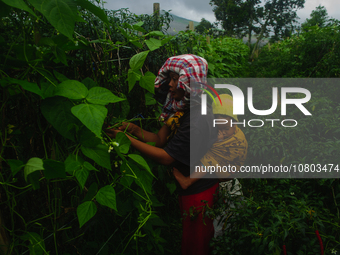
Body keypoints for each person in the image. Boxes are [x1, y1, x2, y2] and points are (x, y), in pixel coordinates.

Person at [106, 54, 218, 255]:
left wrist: (126, 140)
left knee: (196, 246)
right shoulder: (181, 110)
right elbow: (159, 139)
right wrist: (131, 129)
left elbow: (167, 157)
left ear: (189, 82)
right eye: (171, 79)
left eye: (176, 80)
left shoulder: (197, 118)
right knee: (193, 240)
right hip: (189, 186)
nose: (170, 85)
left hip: (200, 191)